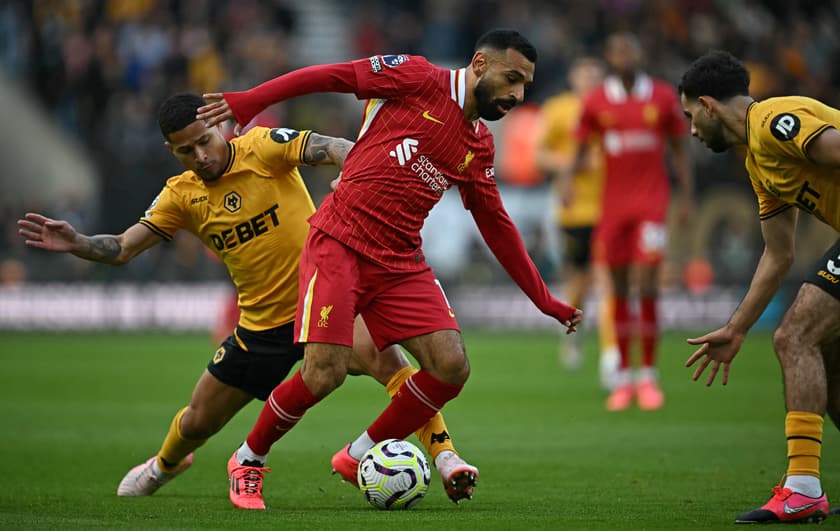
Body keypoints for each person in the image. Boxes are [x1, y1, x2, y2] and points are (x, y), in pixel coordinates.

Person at [16, 93, 476, 509]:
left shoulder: (262, 147)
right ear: (171, 152)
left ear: (220, 126)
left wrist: (356, 176)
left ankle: (446, 459)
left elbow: (333, 145)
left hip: (327, 297)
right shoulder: (181, 196)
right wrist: (78, 242)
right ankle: (164, 465)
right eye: (185, 150)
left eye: (205, 141)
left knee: (394, 368)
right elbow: (122, 247)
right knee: (198, 422)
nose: (200, 155)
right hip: (262, 327)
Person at [197, 29, 582, 510]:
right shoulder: (417, 77)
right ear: (480, 64)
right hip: (340, 241)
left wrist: (544, 299)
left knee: (451, 366)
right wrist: (249, 101)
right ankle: (248, 460)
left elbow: (497, 225)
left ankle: (358, 455)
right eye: (511, 79)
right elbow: (333, 75)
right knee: (324, 374)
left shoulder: (478, 145)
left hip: (400, 261)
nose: (517, 96)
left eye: (525, 86)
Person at [681, 50, 840, 524]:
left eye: (691, 116)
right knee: (827, 354)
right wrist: (736, 328)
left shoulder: (775, 122)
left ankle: (803, 489)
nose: (691, 130)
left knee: (796, 337)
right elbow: (778, 254)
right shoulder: (757, 160)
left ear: (709, 106)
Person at [563, 33, 693, 411]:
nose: (624, 56)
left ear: (639, 54)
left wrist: (686, 199)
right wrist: (569, 182)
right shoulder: (597, 101)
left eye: (629, 50)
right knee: (618, 289)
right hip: (613, 209)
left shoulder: (663, 97)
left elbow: (680, 150)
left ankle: (648, 375)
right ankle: (622, 379)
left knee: (649, 285)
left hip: (652, 205)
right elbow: (580, 146)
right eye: (617, 51)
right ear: (609, 58)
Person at [536, 56, 620, 385]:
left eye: (594, 74)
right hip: (572, 211)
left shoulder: (612, 109)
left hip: (611, 210)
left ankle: (612, 356)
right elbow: (538, 156)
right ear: (573, 77)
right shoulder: (558, 110)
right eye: (583, 73)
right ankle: (572, 331)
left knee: (608, 279)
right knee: (578, 284)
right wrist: (572, 164)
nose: (589, 79)